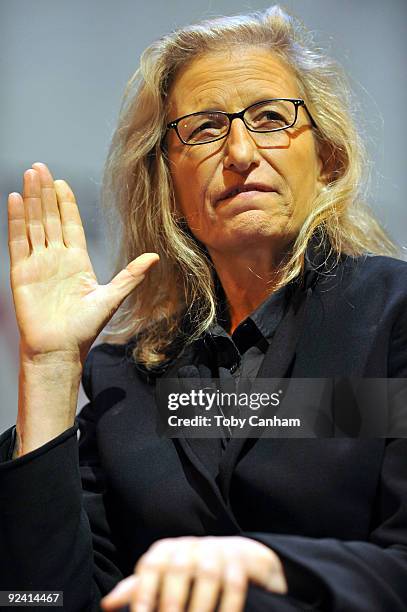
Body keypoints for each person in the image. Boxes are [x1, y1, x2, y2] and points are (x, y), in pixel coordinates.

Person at [1, 5, 406, 612]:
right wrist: (50, 368)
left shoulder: (390, 317)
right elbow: (36, 599)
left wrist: (266, 565)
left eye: (271, 118)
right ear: (168, 178)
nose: (241, 152)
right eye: (206, 129)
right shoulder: (131, 381)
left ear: (327, 159)